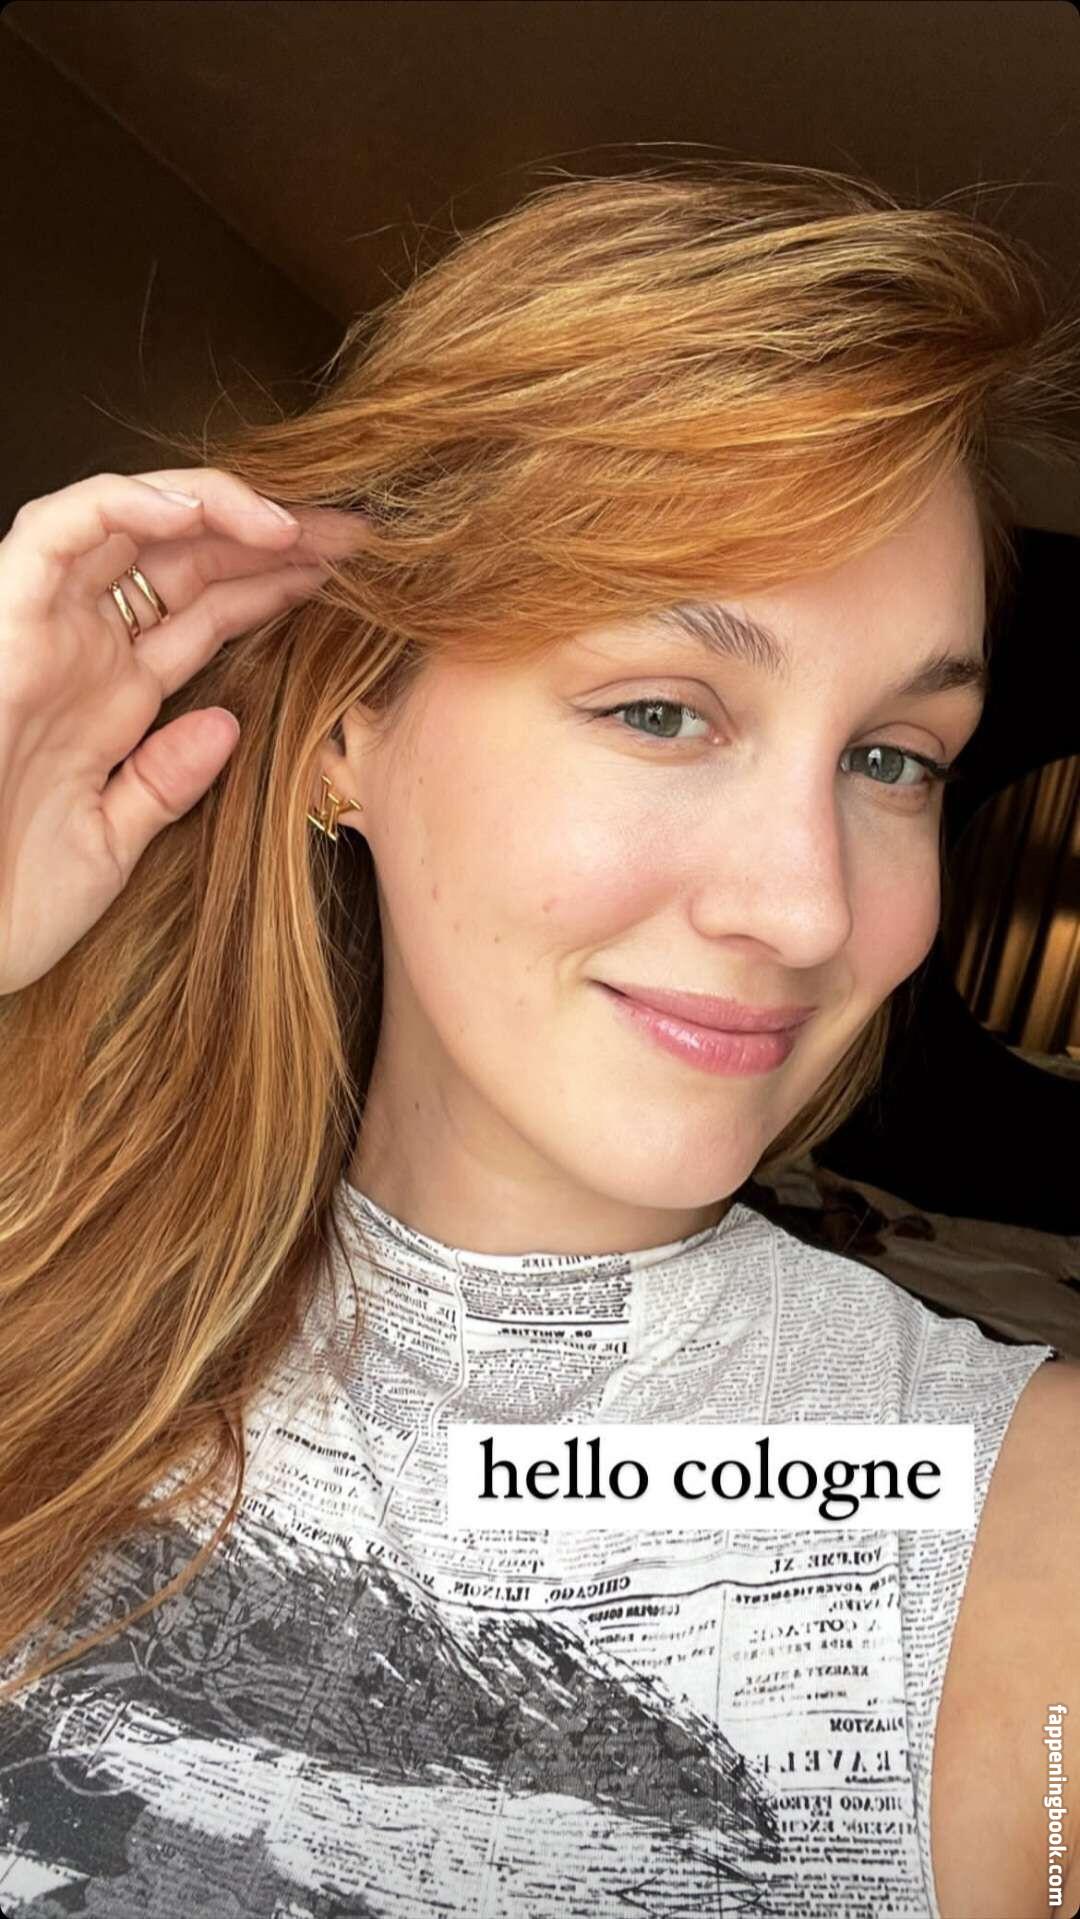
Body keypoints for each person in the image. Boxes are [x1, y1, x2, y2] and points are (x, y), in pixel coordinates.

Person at [0, 159, 1077, 1918]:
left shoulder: (1032, 1528)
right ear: (347, 730)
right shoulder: (35, 1268)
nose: (808, 909)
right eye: (663, 711)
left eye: (893, 759)